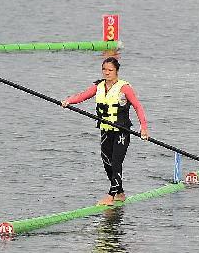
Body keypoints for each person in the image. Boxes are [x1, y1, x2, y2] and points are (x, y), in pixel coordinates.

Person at [61, 57, 149, 206]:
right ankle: (120, 193)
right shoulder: (98, 86)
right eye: (104, 69)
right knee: (106, 162)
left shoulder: (124, 88)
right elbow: (82, 96)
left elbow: (138, 106)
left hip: (121, 130)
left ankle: (110, 195)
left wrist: (144, 127)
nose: (107, 73)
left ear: (117, 71)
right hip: (106, 130)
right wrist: (69, 100)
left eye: (110, 70)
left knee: (116, 162)